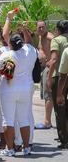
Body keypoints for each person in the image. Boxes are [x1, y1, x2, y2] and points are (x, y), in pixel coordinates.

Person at [0, 22, 37, 157]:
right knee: (24, 119)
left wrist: (2, 69)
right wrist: (25, 29)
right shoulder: (30, 51)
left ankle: (10, 149)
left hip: (9, 90)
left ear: (10, 44)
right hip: (26, 89)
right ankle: (27, 147)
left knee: (8, 120)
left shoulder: (7, 55)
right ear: (21, 43)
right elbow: (29, 41)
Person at [46, 20, 68, 148]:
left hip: (60, 77)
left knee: (60, 109)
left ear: (58, 29)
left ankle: (64, 139)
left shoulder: (57, 40)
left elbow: (54, 60)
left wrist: (49, 78)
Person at [35, 21, 54, 129]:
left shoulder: (50, 37)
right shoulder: (40, 37)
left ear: (46, 27)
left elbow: (58, 50)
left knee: (48, 95)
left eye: (43, 27)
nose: (41, 29)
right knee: (46, 95)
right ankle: (47, 120)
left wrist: (50, 61)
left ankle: (47, 121)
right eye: (39, 27)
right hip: (44, 68)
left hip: (49, 68)